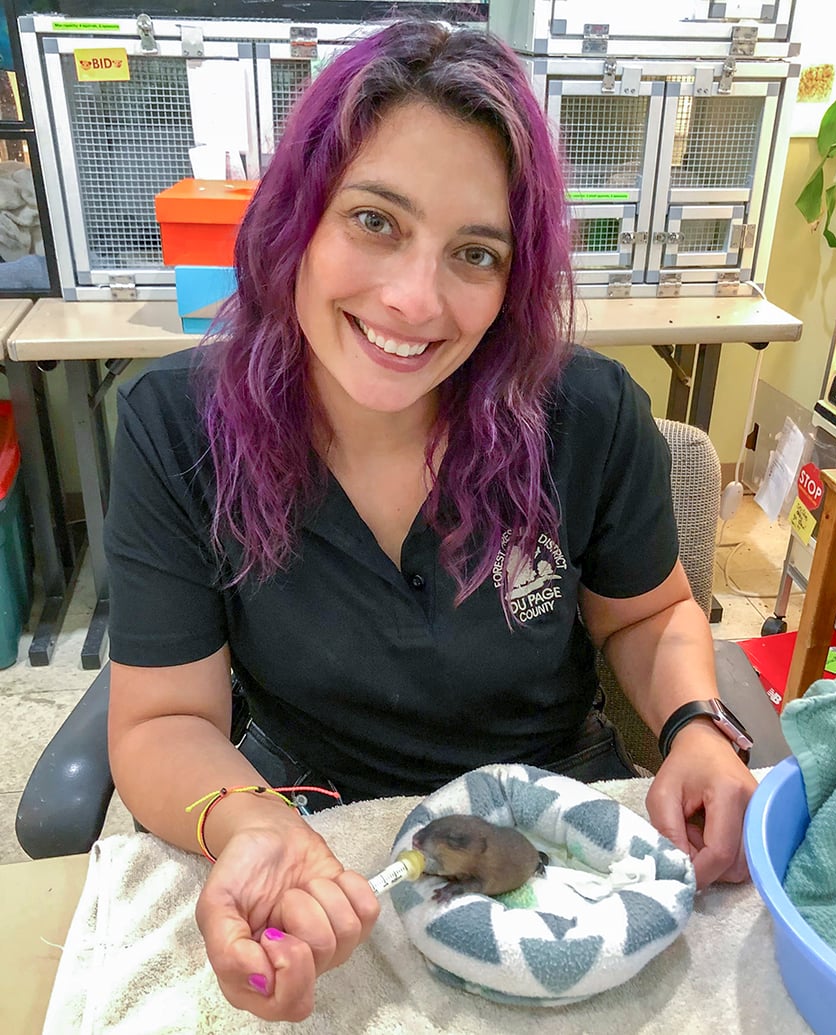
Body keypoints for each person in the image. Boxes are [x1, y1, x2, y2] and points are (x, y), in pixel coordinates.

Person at [105, 20, 758, 1023]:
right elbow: (163, 721)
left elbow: (648, 615)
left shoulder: (585, 413)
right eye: (374, 220)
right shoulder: (176, 427)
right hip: (327, 835)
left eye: (475, 253)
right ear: (299, 219)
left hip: (553, 835)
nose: (415, 299)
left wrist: (695, 724)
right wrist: (247, 824)